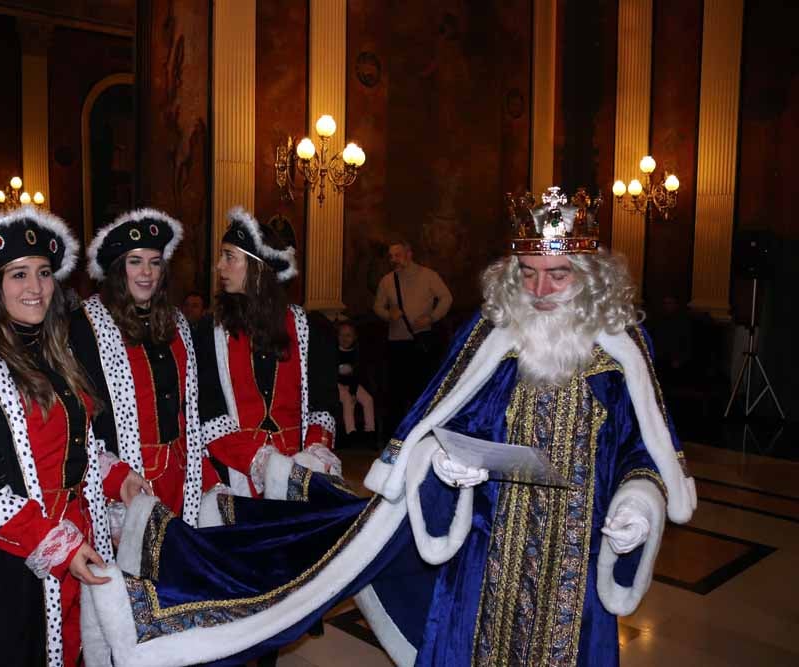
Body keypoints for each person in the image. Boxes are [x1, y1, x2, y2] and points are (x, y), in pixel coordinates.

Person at [78, 188, 696, 667]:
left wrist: (639, 503)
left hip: (573, 559)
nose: (539, 289)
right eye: (528, 272)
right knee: (281, 570)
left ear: (588, 277)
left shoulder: (620, 358)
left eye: (556, 275)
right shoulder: (495, 343)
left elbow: (644, 455)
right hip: (484, 552)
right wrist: (442, 467)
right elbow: (447, 423)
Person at [0, 206, 143, 667]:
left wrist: (119, 478)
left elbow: (75, 447)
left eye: (43, 273)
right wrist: (55, 543)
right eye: (18, 275)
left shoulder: (55, 353)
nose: (35, 288)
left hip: (73, 544)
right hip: (7, 564)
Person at [69, 208, 221, 525]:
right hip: (125, 486)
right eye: (135, 262)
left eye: (154, 262)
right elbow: (79, 420)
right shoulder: (85, 325)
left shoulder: (177, 322)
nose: (146, 273)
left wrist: (205, 475)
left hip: (181, 480)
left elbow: (187, 410)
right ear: (117, 269)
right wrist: (113, 479)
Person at [193, 206, 340, 497]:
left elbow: (322, 406)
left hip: (300, 472)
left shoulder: (311, 329)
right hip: (236, 474)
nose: (219, 266)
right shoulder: (207, 333)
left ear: (258, 267)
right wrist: (264, 463)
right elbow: (209, 414)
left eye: (229, 257)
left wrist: (312, 457)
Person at [373, 240, 452, 433]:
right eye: (391, 256)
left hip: (423, 343)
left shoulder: (428, 276)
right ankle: (397, 437)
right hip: (397, 343)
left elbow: (446, 298)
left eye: (397, 255)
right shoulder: (387, 280)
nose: (393, 260)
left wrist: (432, 317)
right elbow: (377, 306)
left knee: (422, 390)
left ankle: (423, 433)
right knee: (396, 393)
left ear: (409, 253)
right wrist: (388, 315)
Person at [336, 320, 375, 445]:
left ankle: (370, 431)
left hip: (352, 383)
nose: (345, 339)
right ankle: (350, 432)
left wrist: (353, 391)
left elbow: (357, 375)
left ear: (354, 337)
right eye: (342, 335)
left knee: (368, 399)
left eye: (348, 335)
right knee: (348, 400)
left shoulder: (356, 353)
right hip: (337, 385)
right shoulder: (333, 351)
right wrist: (349, 392)